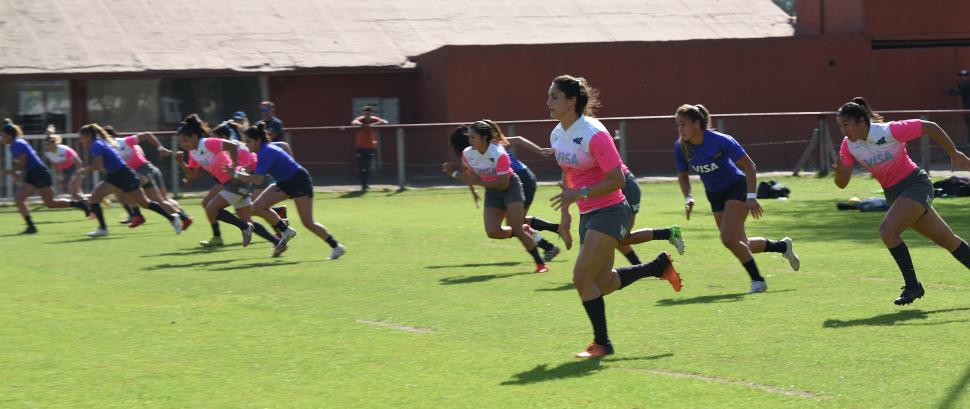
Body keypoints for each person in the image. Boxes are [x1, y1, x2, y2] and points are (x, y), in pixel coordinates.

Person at [547, 75, 681, 359]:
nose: (548, 103)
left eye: (554, 97)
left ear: (572, 101)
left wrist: (580, 194)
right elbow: (568, 175)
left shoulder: (595, 133)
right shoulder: (557, 133)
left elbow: (618, 179)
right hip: (587, 214)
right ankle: (656, 267)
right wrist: (566, 217)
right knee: (602, 283)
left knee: (581, 277)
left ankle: (602, 343)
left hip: (610, 210)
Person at [834, 97, 970, 305]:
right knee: (947, 240)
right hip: (895, 195)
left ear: (861, 121)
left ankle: (913, 286)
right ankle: (913, 285)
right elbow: (842, 183)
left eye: (846, 125)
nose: (843, 131)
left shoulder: (888, 131)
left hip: (916, 184)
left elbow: (930, 127)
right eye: (840, 126)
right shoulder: (849, 146)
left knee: (887, 230)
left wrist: (954, 154)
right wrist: (840, 172)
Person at [674, 104, 800, 294]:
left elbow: (749, 165)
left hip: (736, 187)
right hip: (714, 194)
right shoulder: (681, 147)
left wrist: (751, 196)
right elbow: (683, 176)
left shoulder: (720, 141)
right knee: (741, 243)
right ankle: (782, 246)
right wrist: (688, 197)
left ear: (697, 123)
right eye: (678, 125)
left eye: (683, 124)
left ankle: (758, 281)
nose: (680, 129)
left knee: (727, 238)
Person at [441, 121, 550, 273]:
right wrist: (453, 173)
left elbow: (503, 183)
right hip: (492, 190)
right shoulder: (468, 153)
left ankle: (540, 264)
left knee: (516, 229)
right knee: (493, 231)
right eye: (469, 137)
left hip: (511, 187)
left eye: (473, 137)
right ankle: (520, 228)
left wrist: (478, 182)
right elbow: (469, 176)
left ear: (485, 138)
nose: (469, 140)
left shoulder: (499, 154)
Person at [232, 122, 346, 260]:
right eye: (245, 141)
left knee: (308, 222)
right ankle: (286, 231)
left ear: (258, 140)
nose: (246, 144)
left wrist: (236, 175)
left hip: (299, 181)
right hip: (284, 182)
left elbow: (258, 180)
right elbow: (284, 146)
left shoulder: (265, 152)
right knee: (257, 207)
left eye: (248, 141)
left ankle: (336, 246)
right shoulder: (264, 149)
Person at [175, 117, 282, 250]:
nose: (183, 144)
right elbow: (193, 174)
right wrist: (180, 163)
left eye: (185, 140)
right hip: (229, 184)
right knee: (247, 220)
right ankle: (278, 242)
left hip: (236, 182)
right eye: (180, 141)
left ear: (195, 137)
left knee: (211, 209)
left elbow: (231, 146)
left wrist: (235, 166)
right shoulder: (193, 153)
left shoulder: (207, 143)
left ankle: (244, 228)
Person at [77, 123, 182, 237]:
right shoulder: (99, 142)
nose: (81, 141)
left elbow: (98, 165)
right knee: (94, 198)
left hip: (123, 175)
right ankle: (102, 229)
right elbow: (102, 165)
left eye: (81, 138)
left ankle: (173, 217)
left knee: (145, 203)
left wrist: (84, 171)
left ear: (87, 136)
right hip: (117, 175)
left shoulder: (95, 144)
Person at [1, 119, 89, 233]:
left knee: (19, 199)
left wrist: (7, 172)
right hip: (39, 172)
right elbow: (23, 163)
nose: (1, 138)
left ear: (9, 135)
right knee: (50, 203)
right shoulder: (17, 142)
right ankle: (79, 204)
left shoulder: (16, 144)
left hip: (36, 173)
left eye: (2, 135)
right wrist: (14, 173)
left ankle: (31, 226)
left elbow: (22, 163)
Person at [104, 126, 192, 230]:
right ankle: (185, 218)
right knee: (160, 201)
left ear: (109, 136)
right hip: (145, 171)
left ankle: (137, 215)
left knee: (124, 186)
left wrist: (160, 148)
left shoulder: (124, 141)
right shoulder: (108, 150)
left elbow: (147, 135)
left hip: (145, 169)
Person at [42, 126, 85, 200]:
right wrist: (60, 178)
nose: (46, 147)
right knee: (75, 191)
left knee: (73, 189)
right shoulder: (48, 154)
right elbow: (56, 166)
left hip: (74, 167)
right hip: (65, 170)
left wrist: (78, 174)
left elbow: (78, 162)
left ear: (54, 143)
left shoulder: (64, 150)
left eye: (48, 145)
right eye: (45, 145)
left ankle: (88, 202)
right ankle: (86, 202)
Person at [352, 105, 388, 192]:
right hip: (360, 146)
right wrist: (362, 125)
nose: (367, 114)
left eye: (369, 113)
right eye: (365, 113)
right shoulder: (360, 119)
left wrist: (372, 124)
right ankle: (363, 184)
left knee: (368, 166)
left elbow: (385, 122)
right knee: (361, 166)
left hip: (370, 147)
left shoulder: (374, 119)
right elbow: (354, 122)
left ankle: (366, 184)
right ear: (363, 113)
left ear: (371, 113)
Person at [948, 69, 970, 136]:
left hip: (968, 108)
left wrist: (950, 92)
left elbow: (956, 92)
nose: (962, 77)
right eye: (962, 76)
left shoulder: (966, 84)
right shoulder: (966, 83)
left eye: (963, 76)